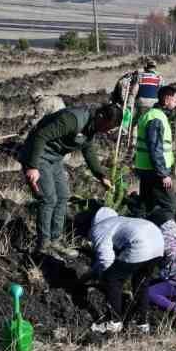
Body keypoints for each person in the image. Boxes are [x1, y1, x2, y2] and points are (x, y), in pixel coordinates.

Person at [21, 103, 119, 254]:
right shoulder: (72, 120)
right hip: (38, 155)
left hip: (54, 158)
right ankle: (43, 245)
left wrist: (101, 175)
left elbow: (87, 149)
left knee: (62, 196)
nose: (109, 131)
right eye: (109, 125)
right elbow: (41, 136)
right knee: (48, 199)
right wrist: (32, 166)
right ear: (101, 117)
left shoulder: (91, 127)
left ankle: (55, 240)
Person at [84, 206, 164, 330]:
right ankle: (142, 324)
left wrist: (98, 275)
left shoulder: (100, 228)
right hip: (158, 242)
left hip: (140, 244)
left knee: (112, 278)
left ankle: (114, 322)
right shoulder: (120, 221)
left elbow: (106, 259)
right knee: (141, 283)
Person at [133, 85, 176, 225]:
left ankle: (140, 228)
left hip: (146, 168)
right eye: (175, 101)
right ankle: (165, 235)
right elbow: (155, 148)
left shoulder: (149, 115)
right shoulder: (156, 118)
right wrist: (163, 174)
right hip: (154, 171)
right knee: (170, 205)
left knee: (146, 203)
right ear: (167, 100)